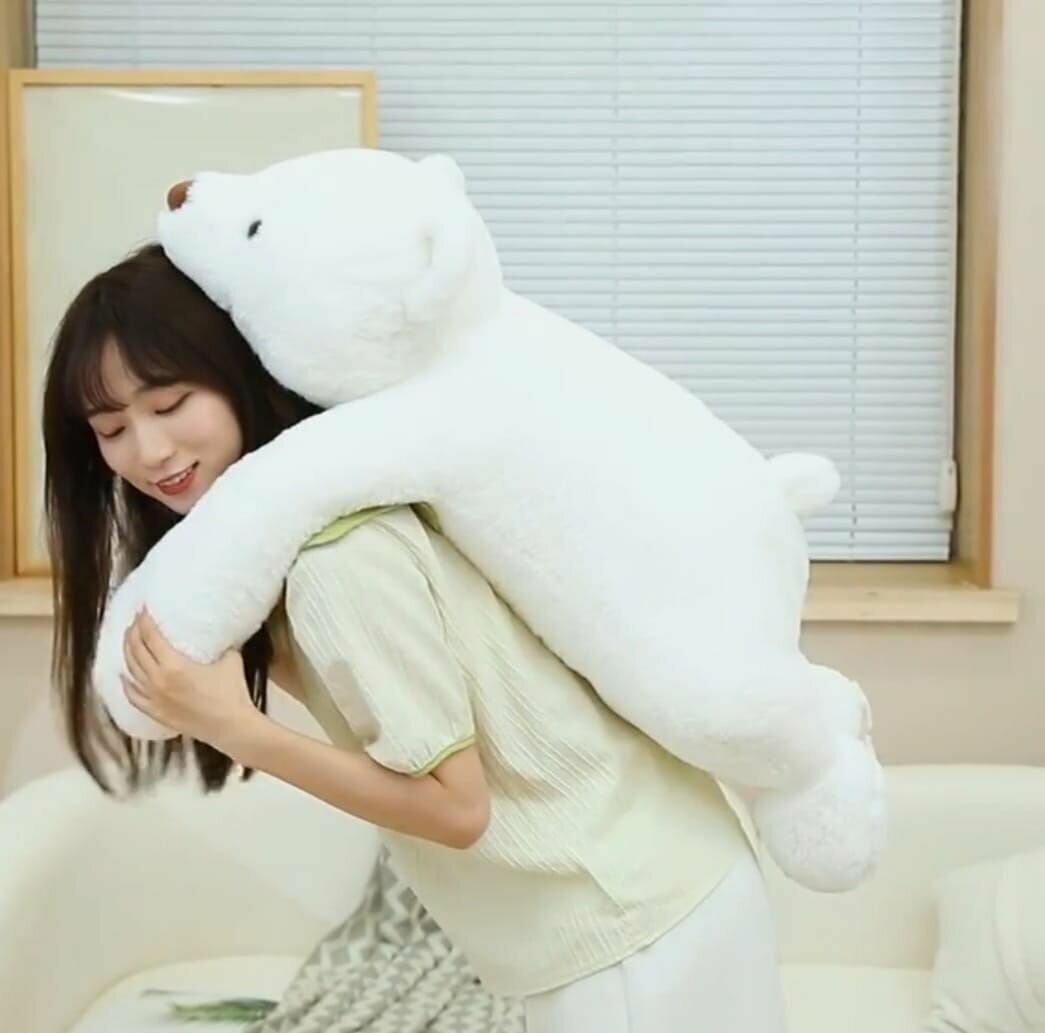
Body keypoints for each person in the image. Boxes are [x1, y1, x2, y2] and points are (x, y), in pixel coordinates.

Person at [43, 243, 790, 1033]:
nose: (148, 451)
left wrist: (237, 728)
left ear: (235, 373)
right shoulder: (293, 546)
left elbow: (456, 806)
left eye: (169, 403)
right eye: (111, 428)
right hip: (649, 900)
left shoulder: (337, 558)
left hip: (632, 930)